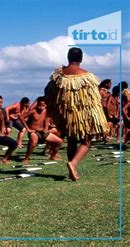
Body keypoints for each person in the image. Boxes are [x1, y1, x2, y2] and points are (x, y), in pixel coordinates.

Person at [45, 47, 109, 181]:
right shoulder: (87, 76)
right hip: (82, 116)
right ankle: (73, 163)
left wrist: (53, 110)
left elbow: (48, 91)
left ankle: (71, 170)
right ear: (81, 59)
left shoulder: (58, 75)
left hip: (65, 114)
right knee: (87, 141)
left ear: (68, 57)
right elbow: (94, 99)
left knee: (71, 141)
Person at [20, 96, 63, 164]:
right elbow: (21, 117)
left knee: (60, 141)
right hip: (34, 132)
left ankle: (53, 156)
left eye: (43, 105)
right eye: (39, 105)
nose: (40, 107)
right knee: (33, 143)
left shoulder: (47, 112)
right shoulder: (33, 111)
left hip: (42, 132)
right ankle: (26, 158)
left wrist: (46, 128)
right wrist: (28, 129)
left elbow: (47, 119)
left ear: (46, 105)